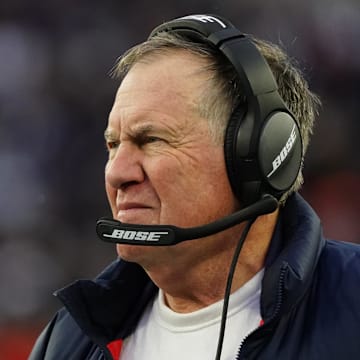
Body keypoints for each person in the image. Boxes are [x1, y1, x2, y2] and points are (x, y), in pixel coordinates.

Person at [29, 14, 360, 360]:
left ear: (258, 156)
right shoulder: (67, 342)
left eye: (151, 139)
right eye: (113, 145)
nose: (117, 173)